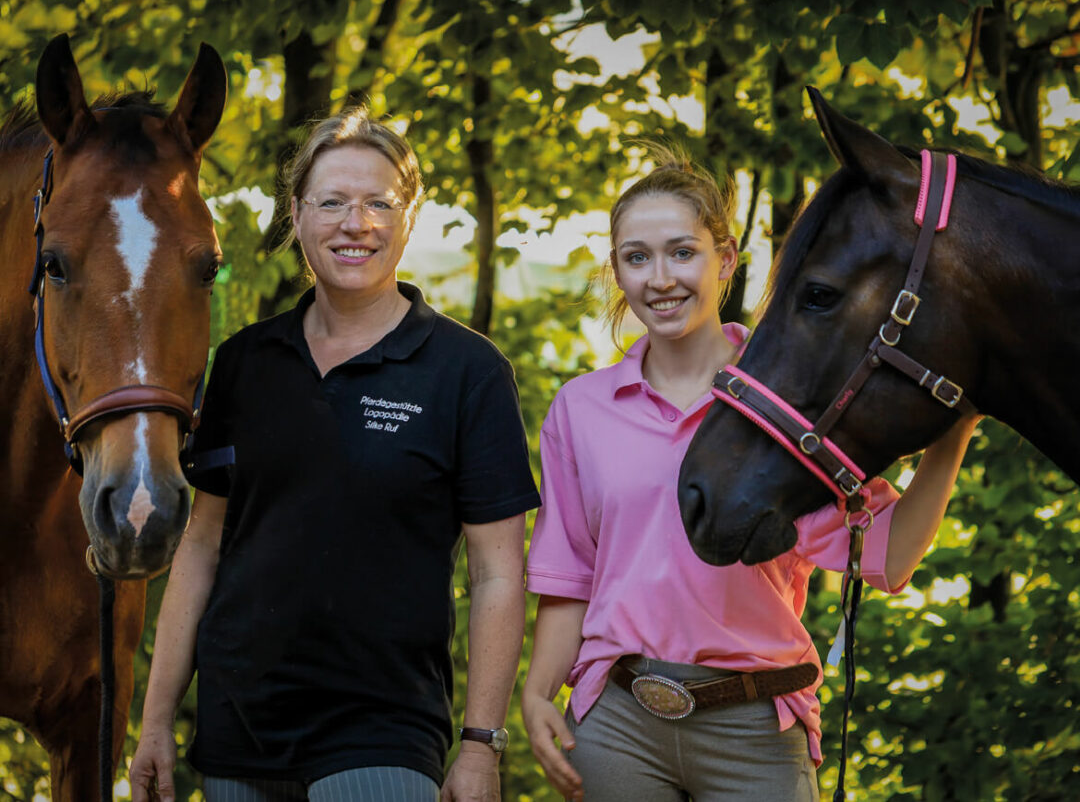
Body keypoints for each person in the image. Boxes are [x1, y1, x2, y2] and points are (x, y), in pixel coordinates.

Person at [520, 146, 979, 801]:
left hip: (756, 731)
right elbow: (570, 578)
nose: (660, 278)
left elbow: (890, 556)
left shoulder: (787, 401)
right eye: (636, 257)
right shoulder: (582, 409)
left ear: (726, 259)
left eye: (683, 252)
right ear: (616, 270)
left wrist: (953, 432)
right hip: (618, 724)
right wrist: (538, 693)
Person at [130, 107, 540, 802]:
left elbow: (499, 573)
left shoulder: (467, 371)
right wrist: (154, 723)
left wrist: (481, 745)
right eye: (333, 202)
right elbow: (202, 549)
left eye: (380, 203)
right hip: (238, 735)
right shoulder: (243, 362)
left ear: (408, 217)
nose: (357, 224)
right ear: (296, 214)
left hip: (384, 729)